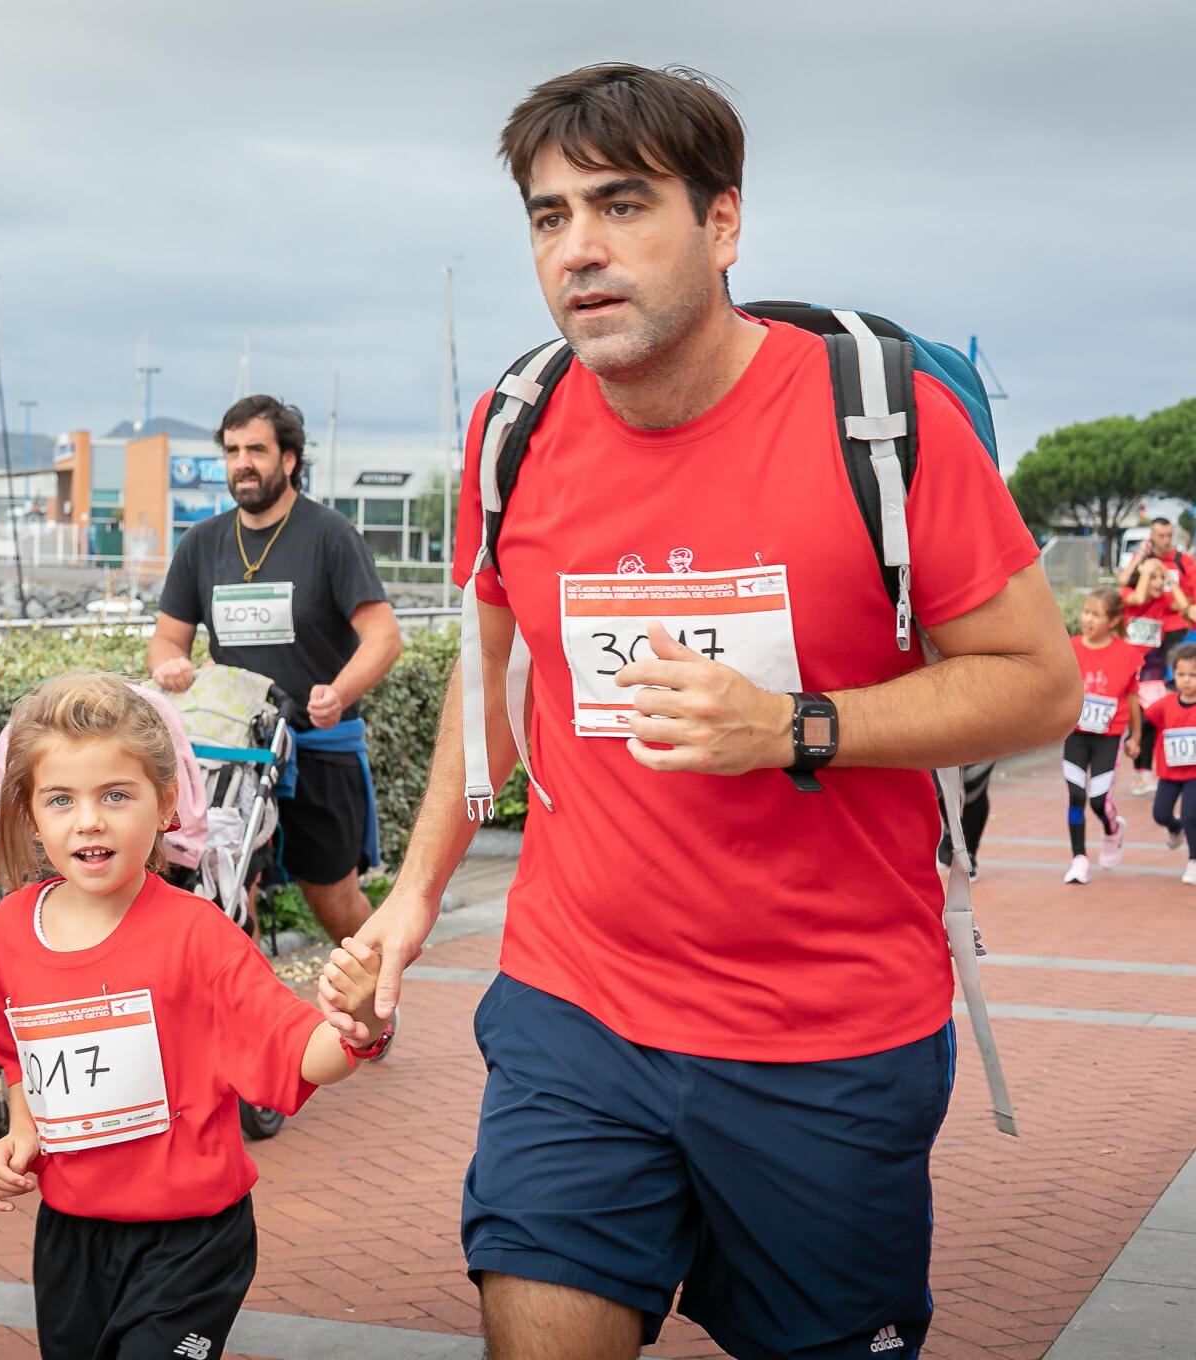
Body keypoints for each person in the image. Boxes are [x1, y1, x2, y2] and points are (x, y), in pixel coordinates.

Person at [320, 65, 1076, 1360]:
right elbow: (487, 687)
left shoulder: (881, 424)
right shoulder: (517, 430)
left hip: (829, 1034)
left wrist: (794, 726)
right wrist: (411, 900)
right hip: (578, 1009)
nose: (582, 250)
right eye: (550, 218)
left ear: (723, 224)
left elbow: (1039, 682)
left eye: (622, 207)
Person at [0, 673, 388, 1359]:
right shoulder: (9, 933)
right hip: (71, 1238)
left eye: (116, 795)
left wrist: (358, 1024)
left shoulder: (199, 936)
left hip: (192, 1242)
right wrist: (20, 1133)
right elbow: (14, 1046)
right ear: (29, 815)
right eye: (60, 799)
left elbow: (292, 1051)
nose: (89, 820)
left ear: (166, 803)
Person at [148, 396, 403, 946]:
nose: (243, 462)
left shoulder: (330, 535)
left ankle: (380, 996)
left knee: (333, 900)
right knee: (230, 897)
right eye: (233, 450)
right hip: (237, 754)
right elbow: (169, 637)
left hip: (318, 748)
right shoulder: (201, 543)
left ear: (288, 459)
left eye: (256, 450)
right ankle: (251, 1028)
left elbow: (383, 637)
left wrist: (338, 692)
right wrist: (168, 664)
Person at [1062, 588, 1144, 884]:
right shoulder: (1070, 647)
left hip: (1108, 738)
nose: (1087, 619)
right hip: (1076, 734)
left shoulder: (1127, 654)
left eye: (1096, 614)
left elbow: (1134, 699)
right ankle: (1079, 858)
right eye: (1086, 612)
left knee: (1098, 801)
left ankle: (1112, 830)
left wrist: (1136, 737)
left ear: (1112, 620)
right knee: (1075, 795)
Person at [1119, 526, 1193, 794]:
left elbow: (1183, 606)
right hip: (1131, 671)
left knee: (1150, 721)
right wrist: (1148, 568)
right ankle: (1140, 770)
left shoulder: (1162, 600)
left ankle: (1143, 770)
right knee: (1139, 721)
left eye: (1160, 580)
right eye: (1154, 579)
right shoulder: (1130, 597)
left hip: (1153, 670)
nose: (1158, 584)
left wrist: (1168, 580)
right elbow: (1138, 595)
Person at [1141, 644, 1196, 885]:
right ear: (1173, 673)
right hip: (1169, 772)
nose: (1186, 680)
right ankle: (1174, 830)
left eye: (1193, 675)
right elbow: (1146, 722)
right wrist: (1134, 741)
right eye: (1181, 674)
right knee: (1160, 814)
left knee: (1191, 817)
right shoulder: (1166, 703)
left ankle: (1194, 861)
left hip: (1194, 773)